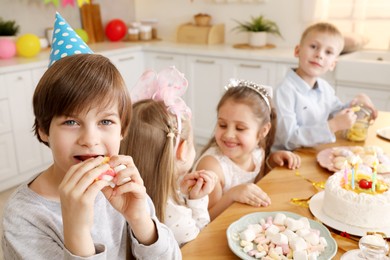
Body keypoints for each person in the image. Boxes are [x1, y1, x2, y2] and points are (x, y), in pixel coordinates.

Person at [1, 12, 181, 260]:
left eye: (105, 121)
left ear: (123, 130)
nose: (90, 138)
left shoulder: (124, 186)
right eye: (71, 121)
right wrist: (76, 231)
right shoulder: (24, 216)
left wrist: (140, 220)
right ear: (43, 129)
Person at [120, 67, 217, 247]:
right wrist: (198, 202)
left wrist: (181, 190)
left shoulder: (122, 197)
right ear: (182, 150)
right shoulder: (175, 217)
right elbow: (200, 247)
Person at [194, 79, 301, 220]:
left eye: (240, 128)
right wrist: (231, 195)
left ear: (263, 131)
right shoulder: (212, 168)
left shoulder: (258, 152)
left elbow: (258, 183)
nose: (228, 134)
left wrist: (272, 162)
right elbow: (204, 221)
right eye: (222, 125)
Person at [273, 22, 378, 151]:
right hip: (285, 160)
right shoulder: (284, 91)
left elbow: (338, 113)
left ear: (333, 64)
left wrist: (357, 103)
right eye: (313, 46)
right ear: (297, 51)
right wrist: (332, 126)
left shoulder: (325, 88)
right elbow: (289, 139)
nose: (319, 55)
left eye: (328, 52)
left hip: (311, 153)